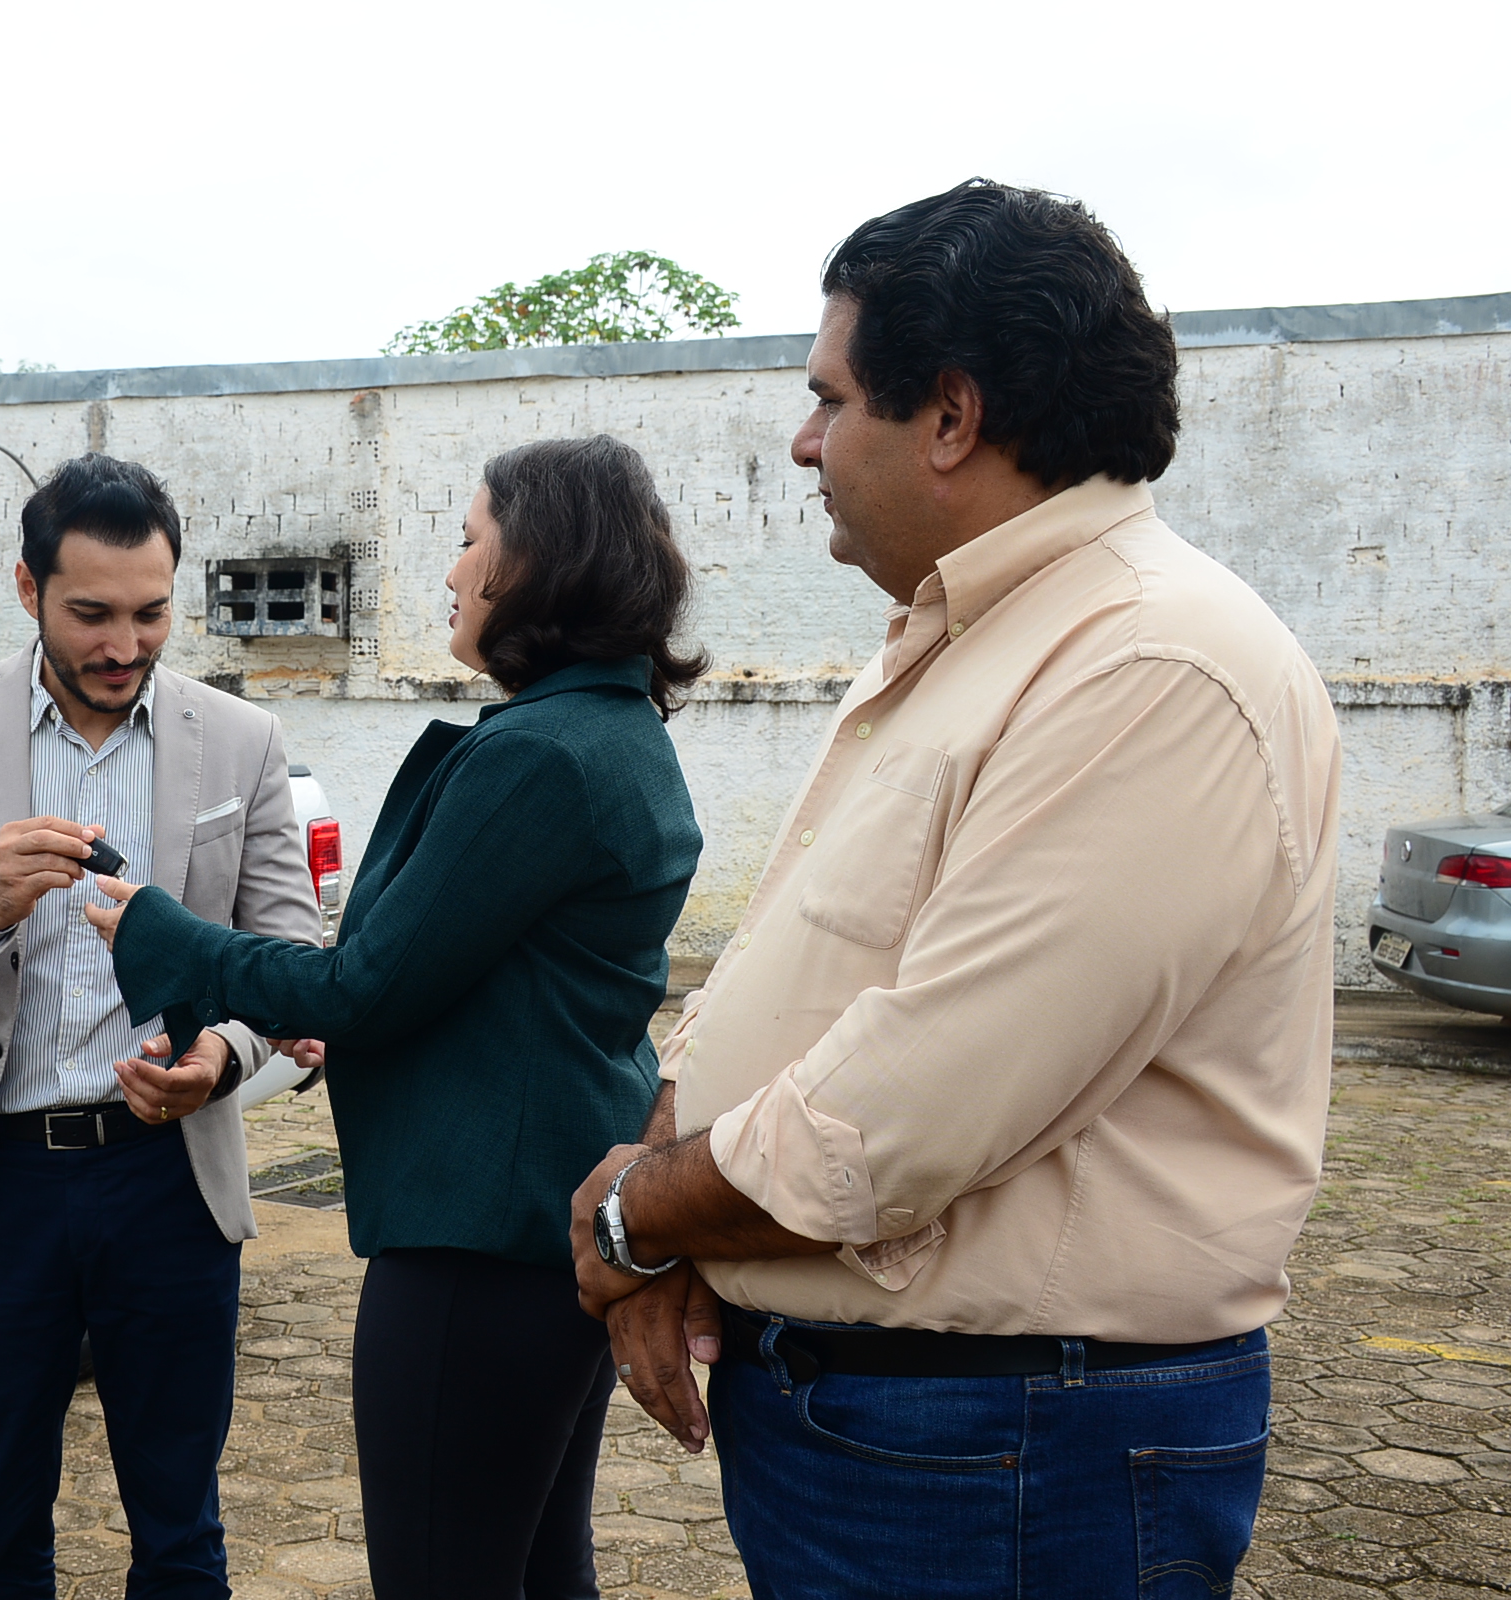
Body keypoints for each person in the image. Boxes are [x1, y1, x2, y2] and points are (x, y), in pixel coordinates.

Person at [568, 180, 1343, 1599]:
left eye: (830, 398)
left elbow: (906, 1112)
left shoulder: (1148, 666)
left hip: (1011, 1446)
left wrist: (633, 1219)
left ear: (950, 415)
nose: (803, 444)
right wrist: (668, 1174)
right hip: (916, 1429)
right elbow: (796, 969)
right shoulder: (970, 636)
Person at [86, 434, 706, 1600]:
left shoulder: (540, 758)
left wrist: (161, 934)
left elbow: (363, 989)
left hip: (480, 1235)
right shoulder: (616, 731)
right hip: (552, 1222)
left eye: (471, 540)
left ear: (540, 564)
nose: (454, 571)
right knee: (532, 1568)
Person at [0, 452, 322, 1599]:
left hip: (167, 1185)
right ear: (27, 589)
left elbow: (290, 965)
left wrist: (222, 1055)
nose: (123, 643)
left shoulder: (239, 739)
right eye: (91, 613)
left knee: (182, 1532)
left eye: (151, 612)